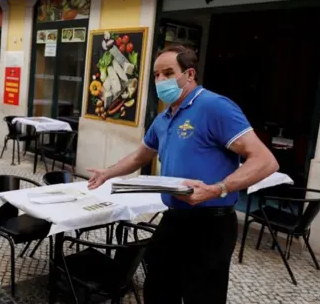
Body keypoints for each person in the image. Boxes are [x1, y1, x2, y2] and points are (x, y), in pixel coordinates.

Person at [87, 45, 278, 304]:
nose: (161, 80)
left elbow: (266, 161)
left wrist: (216, 189)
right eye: (156, 75)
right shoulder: (163, 118)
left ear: (189, 74)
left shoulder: (215, 107)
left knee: (202, 296)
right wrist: (107, 173)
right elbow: (139, 156)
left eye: (168, 73)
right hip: (175, 218)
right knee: (158, 289)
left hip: (212, 224)